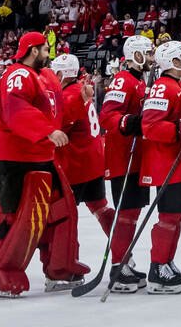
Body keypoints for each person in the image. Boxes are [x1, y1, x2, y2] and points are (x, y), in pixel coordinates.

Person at [0, 31, 81, 297]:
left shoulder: (46, 77)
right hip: (15, 158)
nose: (47, 53)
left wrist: (81, 100)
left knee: (61, 211)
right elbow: (16, 110)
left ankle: (59, 268)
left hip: (42, 156)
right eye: (43, 49)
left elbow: (56, 113)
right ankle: (4, 270)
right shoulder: (18, 75)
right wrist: (46, 132)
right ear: (32, 50)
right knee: (16, 217)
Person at [138, 39, 181, 293]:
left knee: (175, 216)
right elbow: (151, 125)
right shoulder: (162, 87)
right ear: (171, 61)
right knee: (168, 217)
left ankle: (167, 261)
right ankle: (158, 267)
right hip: (168, 164)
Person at [98, 35, 154, 294]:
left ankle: (124, 261)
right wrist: (128, 122)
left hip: (137, 158)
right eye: (147, 53)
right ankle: (119, 266)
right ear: (134, 55)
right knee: (126, 214)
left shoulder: (140, 81)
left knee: (132, 213)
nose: (151, 58)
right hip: (123, 157)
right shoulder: (123, 79)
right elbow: (107, 116)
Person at [51, 52, 113, 237]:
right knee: (99, 206)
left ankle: (65, 259)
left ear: (61, 75)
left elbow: (57, 132)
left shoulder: (68, 96)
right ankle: (122, 250)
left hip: (75, 166)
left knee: (62, 214)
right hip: (93, 162)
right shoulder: (79, 91)